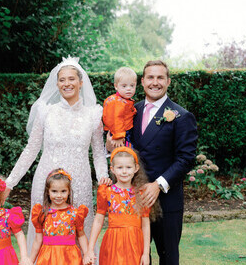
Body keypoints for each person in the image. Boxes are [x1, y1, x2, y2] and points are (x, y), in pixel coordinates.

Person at [3, 56, 110, 253]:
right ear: (57, 83)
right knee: (45, 236)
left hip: (80, 184)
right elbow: (31, 149)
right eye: (62, 80)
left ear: (81, 82)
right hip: (46, 183)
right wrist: (10, 182)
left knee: (79, 234)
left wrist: (104, 176)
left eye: (71, 79)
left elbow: (98, 153)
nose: (67, 83)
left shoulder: (93, 115)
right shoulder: (46, 112)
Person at [131, 60, 197, 265]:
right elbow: (124, 150)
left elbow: (186, 159)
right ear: (142, 81)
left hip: (167, 201)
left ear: (168, 82)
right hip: (134, 199)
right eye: (150, 77)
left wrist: (159, 184)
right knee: (136, 256)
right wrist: (110, 146)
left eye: (160, 77)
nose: (155, 82)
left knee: (168, 257)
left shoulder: (181, 116)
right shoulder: (131, 111)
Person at [84, 147, 155, 265]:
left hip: (135, 244)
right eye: (120, 167)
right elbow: (98, 220)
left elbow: (145, 224)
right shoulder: (106, 192)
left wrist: (145, 253)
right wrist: (90, 249)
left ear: (136, 168)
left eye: (128, 167)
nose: (124, 171)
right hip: (113, 243)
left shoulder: (141, 194)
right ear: (112, 169)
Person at [30, 168, 89, 264]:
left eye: (63, 191)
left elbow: (81, 235)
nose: (59, 195)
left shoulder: (75, 213)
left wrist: (87, 254)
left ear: (69, 191)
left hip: (70, 257)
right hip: (48, 258)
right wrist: (30, 261)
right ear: (48, 191)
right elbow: (38, 239)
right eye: (54, 191)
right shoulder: (42, 213)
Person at [102, 67, 137, 148]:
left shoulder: (123, 99)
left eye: (132, 85)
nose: (128, 89)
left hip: (122, 130)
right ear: (116, 86)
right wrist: (118, 136)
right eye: (124, 86)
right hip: (120, 133)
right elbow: (116, 119)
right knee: (125, 153)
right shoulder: (117, 102)